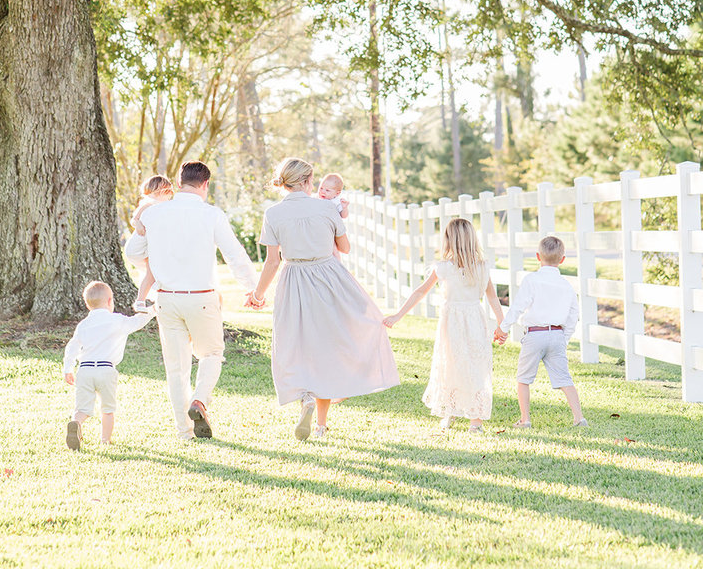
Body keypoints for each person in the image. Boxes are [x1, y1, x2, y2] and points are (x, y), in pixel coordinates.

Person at [246, 156, 399, 441]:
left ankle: (304, 396)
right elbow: (345, 247)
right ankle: (320, 425)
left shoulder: (273, 213)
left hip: (293, 280)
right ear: (307, 181)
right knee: (329, 347)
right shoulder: (326, 208)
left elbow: (272, 261)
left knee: (295, 344)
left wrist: (258, 294)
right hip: (328, 278)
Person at [123, 160, 258, 442]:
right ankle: (199, 400)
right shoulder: (211, 214)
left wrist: (153, 267)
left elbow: (133, 252)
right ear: (205, 184)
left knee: (176, 370)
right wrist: (252, 289)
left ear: (179, 182)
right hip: (201, 298)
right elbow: (234, 254)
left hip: (167, 300)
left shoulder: (154, 214)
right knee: (211, 354)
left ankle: (184, 431)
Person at [384, 217, 504, 433]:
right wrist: (398, 315)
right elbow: (493, 299)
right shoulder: (452, 267)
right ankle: (454, 411)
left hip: (462, 322)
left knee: (461, 365)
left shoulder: (473, 267)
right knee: (464, 365)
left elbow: (420, 291)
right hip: (466, 321)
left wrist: (502, 325)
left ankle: (474, 419)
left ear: (449, 240)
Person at [494, 234, 587, 429]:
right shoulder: (566, 285)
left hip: (535, 335)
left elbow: (518, 307)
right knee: (564, 379)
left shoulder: (532, 280)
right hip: (557, 335)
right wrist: (564, 338)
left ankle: (525, 419)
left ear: (538, 256)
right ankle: (579, 418)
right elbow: (573, 315)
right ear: (562, 259)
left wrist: (503, 328)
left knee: (523, 379)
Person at [62, 280, 154, 450]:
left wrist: (68, 368)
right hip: (106, 369)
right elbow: (137, 321)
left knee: (82, 408)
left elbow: (72, 346)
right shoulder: (117, 320)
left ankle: (76, 423)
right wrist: (152, 310)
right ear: (110, 301)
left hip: (85, 369)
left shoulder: (83, 325)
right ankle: (105, 440)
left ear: (88, 305)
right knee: (107, 409)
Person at [129, 174, 174, 311]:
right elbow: (134, 219)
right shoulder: (149, 205)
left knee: (153, 273)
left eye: (168, 191)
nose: (166, 194)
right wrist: (138, 224)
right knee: (151, 273)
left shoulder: (166, 207)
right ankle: (140, 301)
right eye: (162, 191)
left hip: (150, 246)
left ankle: (148, 301)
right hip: (141, 247)